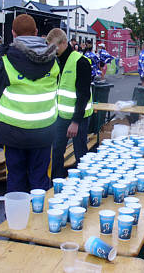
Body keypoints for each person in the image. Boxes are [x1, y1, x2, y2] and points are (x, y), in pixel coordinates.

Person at [0, 14, 60, 192]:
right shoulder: (54, 61)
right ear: (37, 32)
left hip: (13, 132)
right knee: (40, 179)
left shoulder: (6, 61)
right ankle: (39, 216)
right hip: (44, 130)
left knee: (15, 178)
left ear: (13, 33)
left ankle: (16, 219)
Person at [46, 28, 93, 179]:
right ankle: (56, 185)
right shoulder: (55, 61)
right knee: (57, 152)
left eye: (55, 47)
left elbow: (83, 95)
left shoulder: (80, 62)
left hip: (78, 118)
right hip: (60, 117)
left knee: (80, 154)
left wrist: (76, 122)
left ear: (64, 43)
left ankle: (82, 186)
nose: (52, 50)